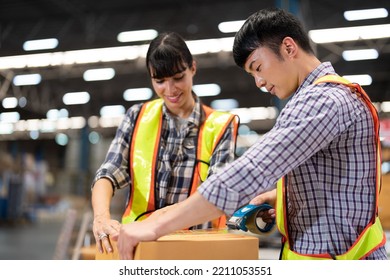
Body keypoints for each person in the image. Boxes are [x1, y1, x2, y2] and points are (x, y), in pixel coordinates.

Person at [112, 8, 388, 260]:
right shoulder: (316, 99)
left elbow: (250, 171)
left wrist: (154, 227)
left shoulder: (323, 102)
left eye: (258, 67)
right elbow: (336, 183)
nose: (259, 82)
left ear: (289, 48)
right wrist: (279, 198)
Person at [91, 32, 239, 254]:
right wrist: (101, 217)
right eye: (159, 81)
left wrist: (162, 218)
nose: (170, 90)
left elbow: (218, 193)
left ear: (193, 68)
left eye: (178, 77)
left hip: (199, 250)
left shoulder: (220, 125)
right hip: (139, 248)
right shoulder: (136, 117)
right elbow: (109, 172)